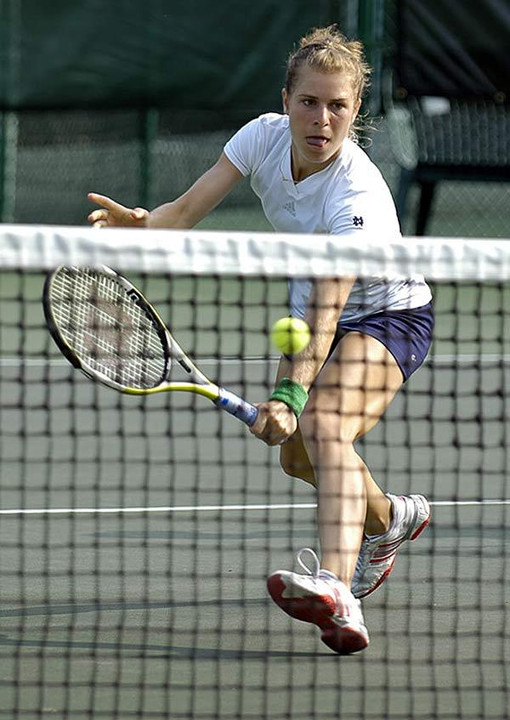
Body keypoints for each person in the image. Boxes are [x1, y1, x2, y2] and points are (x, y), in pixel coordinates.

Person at [87, 25, 432, 655]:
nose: (321, 119)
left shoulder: (357, 197)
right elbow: (185, 212)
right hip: (311, 308)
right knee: (297, 458)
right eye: (309, 102)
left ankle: (336, 586)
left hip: (387, 318)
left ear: (355, 113)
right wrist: (144, 222)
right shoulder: (260, 139)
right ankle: (393, 519)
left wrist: (291, 398)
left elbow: (331, 313)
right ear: (285, 101)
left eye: (338, 106)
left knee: (323, 430)